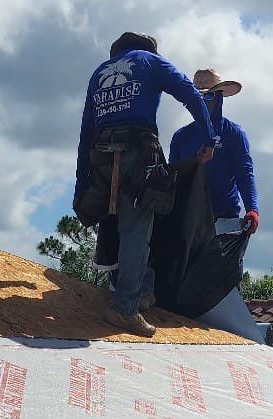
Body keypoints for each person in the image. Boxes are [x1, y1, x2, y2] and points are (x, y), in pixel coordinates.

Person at [75, 32, 217, 337]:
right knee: (138, 227)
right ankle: (125, 307)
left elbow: (86, 131)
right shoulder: (150, 61)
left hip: (101, 156)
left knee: (123, 226)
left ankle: (141, 291)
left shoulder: (99, 72)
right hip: (139, 152)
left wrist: (81, 185)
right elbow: (189, 94)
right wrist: (208, 137)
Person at [169, 68, 273, 345]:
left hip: (225, 220)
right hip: (191, 222)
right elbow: (174, 180)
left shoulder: (234, 134)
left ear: (220, 98)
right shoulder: (182, 138)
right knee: (189, 278)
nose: (206, 103)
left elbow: (245, 173)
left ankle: (229, 333)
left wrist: (253, 208)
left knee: (223, 279)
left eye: (210, 97)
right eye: (199, 98)